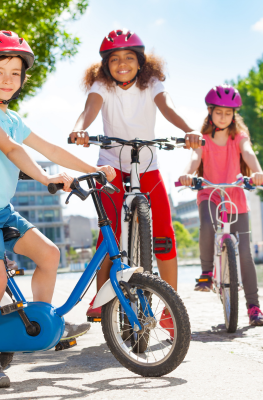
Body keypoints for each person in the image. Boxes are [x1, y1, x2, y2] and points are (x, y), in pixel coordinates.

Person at [0, 30, 116, 389]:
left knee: (50, 254)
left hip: (0, 211)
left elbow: (50, 147)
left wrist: (93, 170)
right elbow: (12, 151)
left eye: (15, 72)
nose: (8, 79)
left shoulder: (13, 117)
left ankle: (45, 322)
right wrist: (44, 178)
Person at [69, 30, 203, 332]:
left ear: (141, 62)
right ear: (106, 65)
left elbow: (168, 107)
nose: (122, 64)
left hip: (148, 168)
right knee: (110, 236)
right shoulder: (101, 84)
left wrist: (190, 130)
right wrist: (79, 129)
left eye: (129, 58)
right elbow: (88, 110)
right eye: (114, 59)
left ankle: (171, 309)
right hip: (111, 169)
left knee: (165, 236)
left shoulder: (151, 83)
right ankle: (101, 300)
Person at [178, 85, 263, 327]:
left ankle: (254, 307)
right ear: (209, 112)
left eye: (229, 113)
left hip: (235, 195)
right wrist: (186, 175)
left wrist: (257, 172)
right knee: (207, 224)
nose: (224, 117)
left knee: (246, 254)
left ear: (234, 115)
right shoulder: (203, 138)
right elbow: (195, 158)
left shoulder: (239, 136)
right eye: (219, 112)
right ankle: (207, 273)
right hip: (210, 193)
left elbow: (248, 153)